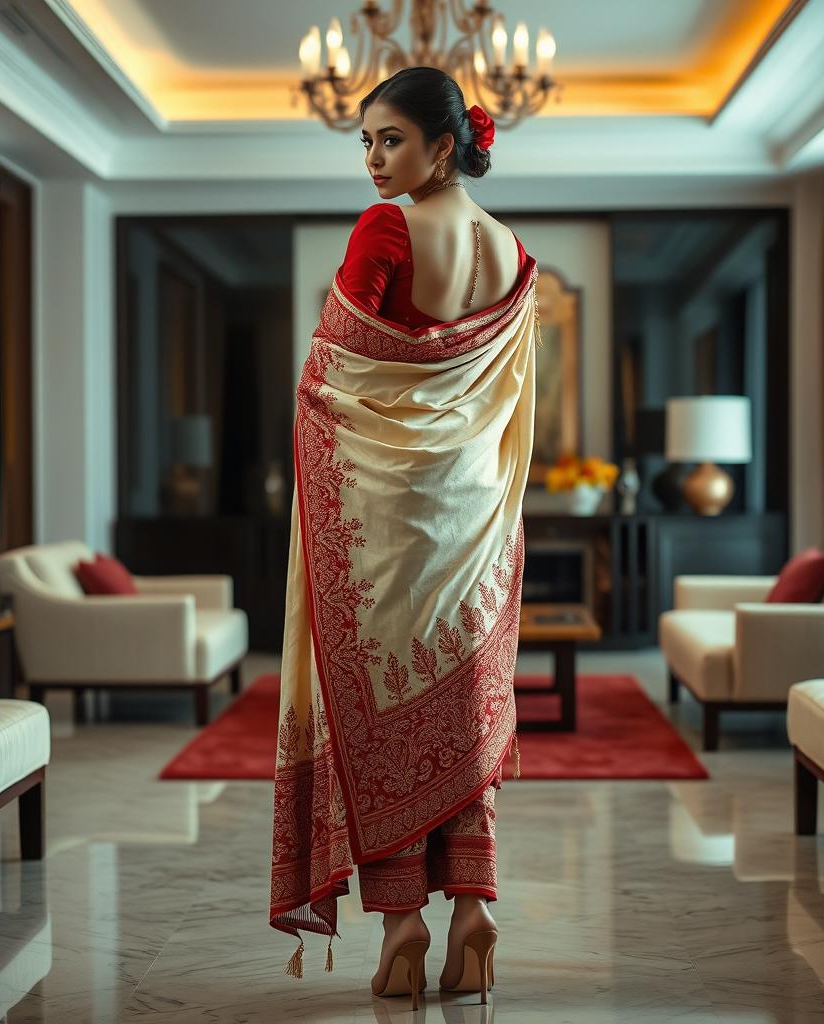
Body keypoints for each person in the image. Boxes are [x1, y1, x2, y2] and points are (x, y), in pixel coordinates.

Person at [268, 65, 541, 1010]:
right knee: (459, 707)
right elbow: (493, 406)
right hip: (470, 520)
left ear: (440, 144)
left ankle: (403, 925)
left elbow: (332, 375)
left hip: (388, 526)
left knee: (383, 706)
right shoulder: (511, 250)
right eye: (366, 142)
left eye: (390, 139)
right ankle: (473, 904)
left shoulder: (387, 229)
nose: (376, 160)